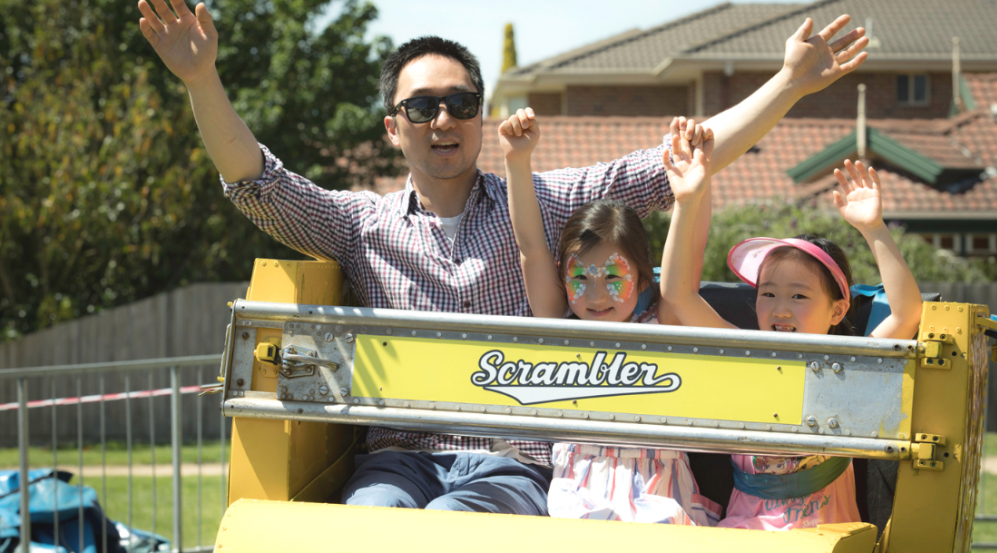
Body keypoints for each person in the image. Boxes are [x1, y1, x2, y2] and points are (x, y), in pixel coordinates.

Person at [137, 0, 871, 515]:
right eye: (422, 108)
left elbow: (676, 161)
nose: (444, 120)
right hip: (397, 458)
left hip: (513, 463)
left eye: (459, 103)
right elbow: (259, 186)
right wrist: (202, 80)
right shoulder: (359, 224)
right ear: (395, 128)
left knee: (457, 526)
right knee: (371, 522)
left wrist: (789, 83)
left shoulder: (544, 203)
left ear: (481, 117)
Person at [660, 149, 924, 529]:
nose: (780, 309)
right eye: (768, 294)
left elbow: (906, 313)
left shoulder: (847, 364)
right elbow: (677, 294)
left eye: (798, 296)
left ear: (836, 311)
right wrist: (686, 203)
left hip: (824, 533)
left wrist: (873, 227)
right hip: (745, 530)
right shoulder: (743, 353)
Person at [500, 110, 720, 524]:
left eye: (614, 276)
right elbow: (530, 245)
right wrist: (517, 161)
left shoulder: (664, 324)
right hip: (577, 502)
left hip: (659, 502)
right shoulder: (559, 323)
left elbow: (691, 254)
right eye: (580, 277)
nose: (596, 294)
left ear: (640, 276)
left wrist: (691, 195)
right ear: (562, 276)